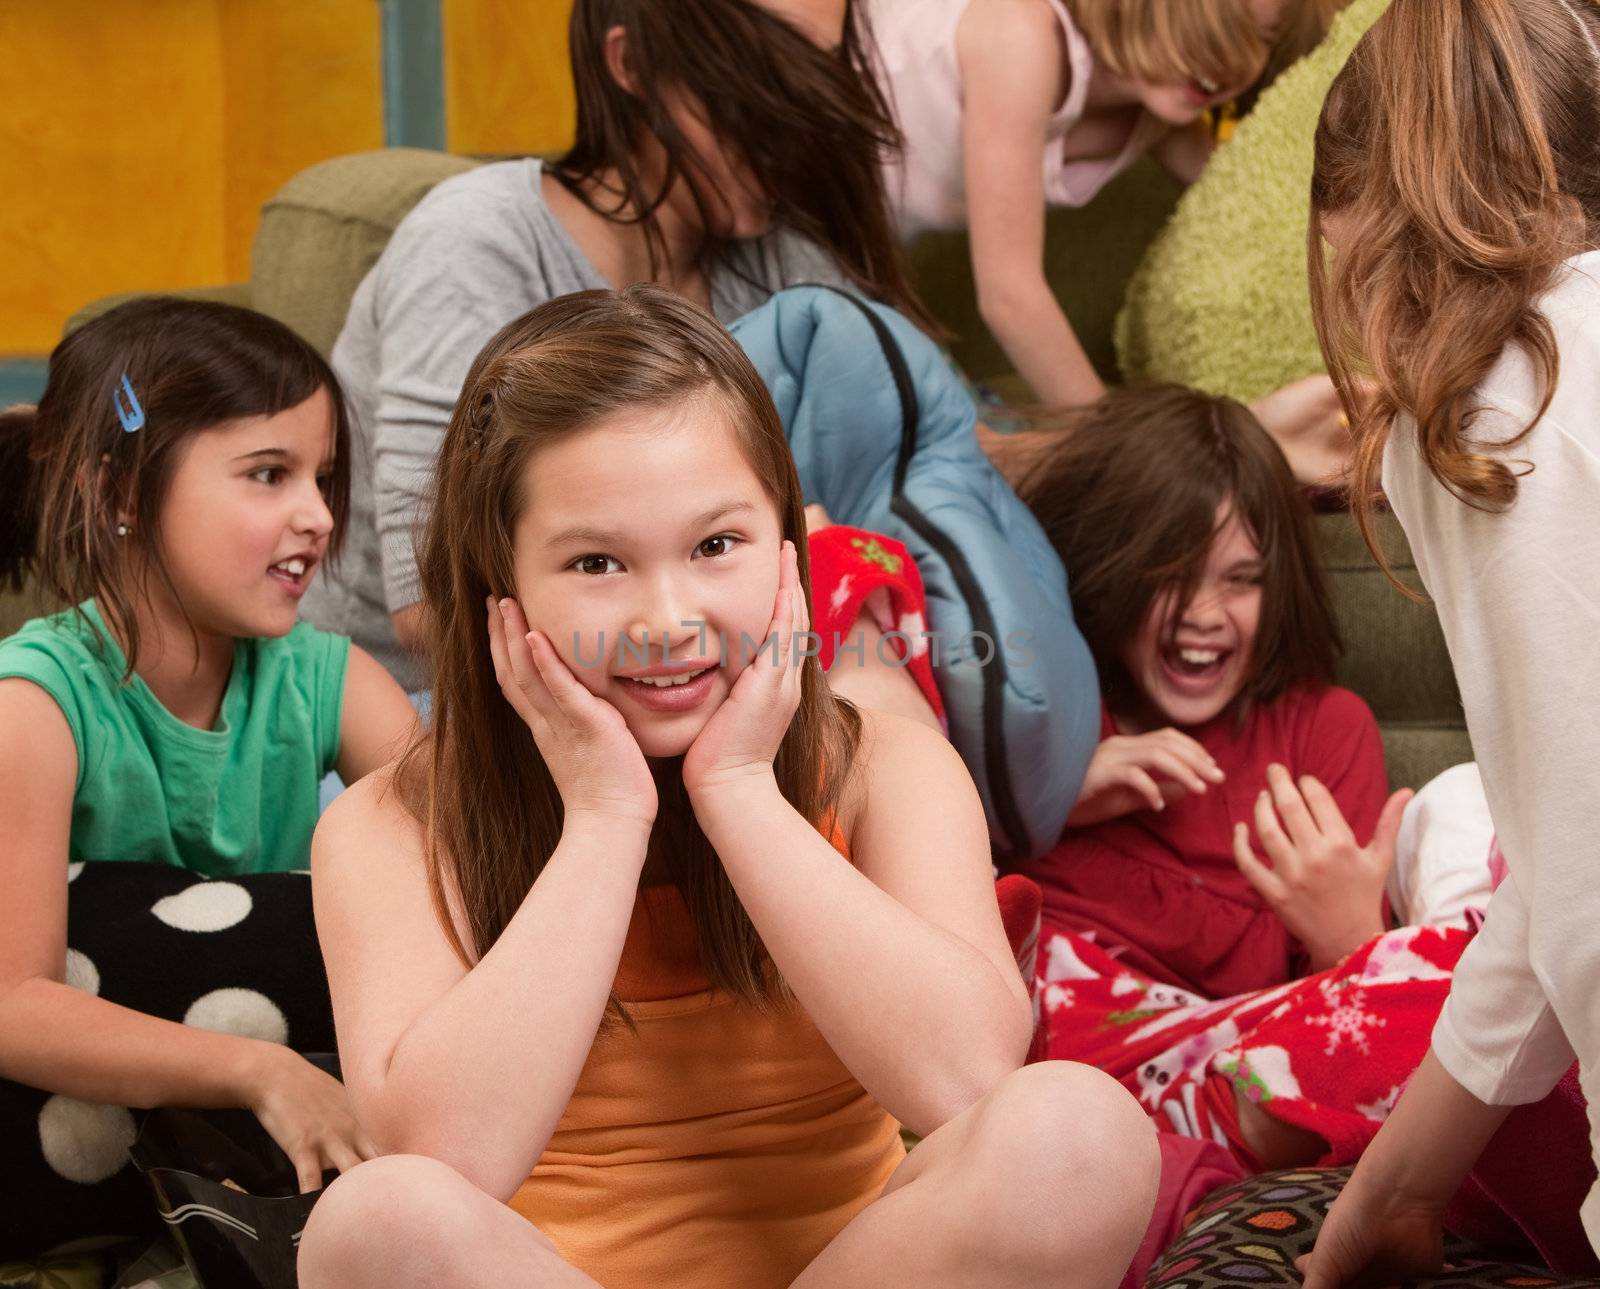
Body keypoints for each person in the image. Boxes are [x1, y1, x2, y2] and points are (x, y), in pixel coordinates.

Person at [297, 286, 1159, 1289]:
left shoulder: (883, 765)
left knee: (1081, 1131)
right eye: (596, 561)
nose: (669, 617)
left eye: (716, 546)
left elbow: (965, 1079)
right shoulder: (393, 825)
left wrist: (743, 787)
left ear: (787, 549)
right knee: (374, 1220)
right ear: (502, 585)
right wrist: (605, 816)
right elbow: (446, 1156)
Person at [302, 0, 935, 694]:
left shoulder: (781, 263)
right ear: (630, 63)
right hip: (447, 702)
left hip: (705, 681)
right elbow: (428, 608)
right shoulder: (476, 242)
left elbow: (936, 446)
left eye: (818, 78)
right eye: (759, 82)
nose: (794, 131)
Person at [992, 385, 1492, 1178]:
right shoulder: (1051, 703)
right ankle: (1112, 1153)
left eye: (1240, 578)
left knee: (1471, 995)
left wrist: (1351, 936)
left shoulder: (1324, 729)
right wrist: (1047, 793)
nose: (1203, 612)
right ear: (1113, 572)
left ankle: (1147, 1156)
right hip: (1051, 1047)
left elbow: (1340, 1021)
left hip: (1234, 1064)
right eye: (1168, 573)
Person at [0, 298, 417, 1245]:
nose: (317, 516)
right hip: (88, 1103)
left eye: (324, 478)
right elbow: (12, 1004)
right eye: (269, 474)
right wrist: (259, 1070)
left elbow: (465, 855)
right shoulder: (32, 706)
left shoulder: (328, 679)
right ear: (118, 493)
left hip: (257, 1104)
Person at [1297, 0, 1600, 1282]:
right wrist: (1388, 1192)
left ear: (1362, 224)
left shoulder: (1492, 398)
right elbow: (1560, 833)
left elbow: (1583, 862)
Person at [866, 0, 1339, 409]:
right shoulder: (1021, 35)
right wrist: (1122, 440)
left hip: (856, 243)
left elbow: (1264, 198)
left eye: (1259, 37)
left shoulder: (1161, 117)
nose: (1230, 60)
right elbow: (1010, 295)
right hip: (802, 191)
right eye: (1215, 16)